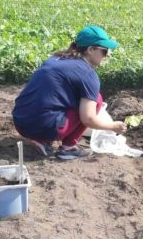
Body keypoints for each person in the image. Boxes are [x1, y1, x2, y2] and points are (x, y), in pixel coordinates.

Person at [12, 25, 127, 160]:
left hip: (21, 122)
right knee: (96, 99)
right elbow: (88, 119)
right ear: (90, 50)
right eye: (104, 51)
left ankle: (42, 141)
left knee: (64, 100)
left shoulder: (55, 58)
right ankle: (68, 148)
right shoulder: (88, 74)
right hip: (45, 127)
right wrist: (113, 126)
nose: (107, 55)